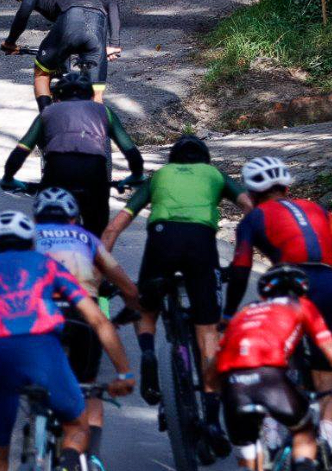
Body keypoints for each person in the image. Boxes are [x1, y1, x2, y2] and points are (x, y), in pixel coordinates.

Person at [0, 211, 134, 471]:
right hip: (43, 351)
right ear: (32, 244)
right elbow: (98, 320)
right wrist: (124, 373)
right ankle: (67, 464)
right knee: (77, 423)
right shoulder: (46, 264)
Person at [100, 133, 251, 455]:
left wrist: (99, 272)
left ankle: (148, 354)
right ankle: (212, 420)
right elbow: (251, 209)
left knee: (147, 305)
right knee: (207, 332)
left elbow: (114, 227)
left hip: (161, 239)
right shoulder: (215, 175)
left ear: (173, 160)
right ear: (204, 159)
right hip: (201, 243)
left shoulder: (160, 177)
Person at [223, 156, 332, 455]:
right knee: (326, 366)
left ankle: (271, 431)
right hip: (327, 283)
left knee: (272, 358)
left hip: (289, 284)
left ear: (252, 194)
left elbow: (241, 268)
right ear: (286, 186)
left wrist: (228, 314)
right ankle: (327, 444)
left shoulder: (253, 218)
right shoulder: (318, 209)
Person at [205, 265, 332, 471]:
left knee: (251, 459)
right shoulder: (301, 305)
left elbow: (211, 374)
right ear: (302, 290)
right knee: (303, 432)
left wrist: (218, 397)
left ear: (264, 294)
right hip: (271, 381)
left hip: (234, 389)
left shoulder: (244, 314)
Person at [33, 188, 140, 470]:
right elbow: (126, 286)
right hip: (82, 314)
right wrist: (131, 307)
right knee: (89, 390)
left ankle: (38, 442)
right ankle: (89, 457)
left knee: (33, 385)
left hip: (38, 317)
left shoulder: (26, 238)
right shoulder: (86, 238)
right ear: (74, 219)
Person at [0, 72, 143, 236]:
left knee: (48, 232)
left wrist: (8, 178)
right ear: (90, 96)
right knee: (96, 235)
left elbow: (21, 151)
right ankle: (96, 257)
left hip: (58, 170)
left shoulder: (48, 112)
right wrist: (136, 175)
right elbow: (131, 152)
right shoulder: (104, 111)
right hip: (94, 172)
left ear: (57, 97)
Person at [0, 0, 121, 106]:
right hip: (97, 26)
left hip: (71, 19)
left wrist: (10, 42)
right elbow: (112, 3)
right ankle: (96, 123)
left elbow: (23, 14)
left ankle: (46, 119)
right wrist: (114, 44)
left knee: (42, 73)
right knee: (96, 93)